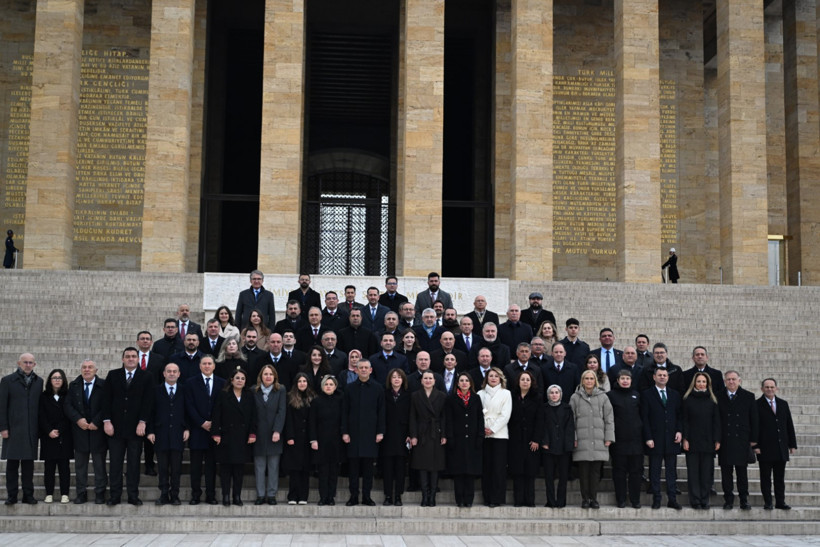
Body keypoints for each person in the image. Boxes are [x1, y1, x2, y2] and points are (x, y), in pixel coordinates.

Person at [102, 347, 154, 506]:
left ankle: (133, 495)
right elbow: (106, 399)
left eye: (133, 356)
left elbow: (148, 401)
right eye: (128, 356)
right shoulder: (113, 375)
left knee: (133, 464)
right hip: (115, 428)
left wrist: (143, 422)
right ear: (123, 359)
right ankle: (114, 496)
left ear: (138, 359)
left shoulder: (146, 376)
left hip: (136, 429)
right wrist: (107, 421)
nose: (131, 359)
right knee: (115, 464)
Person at [341, 359, 386, 506]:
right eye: (361, 368)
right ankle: (353, 496)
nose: (364, 370)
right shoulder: (349, 388)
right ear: (356, 370)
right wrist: (345, 432)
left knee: (368, 469)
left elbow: (381, 412)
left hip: (371, 434)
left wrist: (380, 432)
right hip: (353, 434)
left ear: (371, 370)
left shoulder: (378, 388)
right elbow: (344, 412)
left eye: (366, 367)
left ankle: (367, 496)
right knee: (353, 469)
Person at [64, 359, 107, 505]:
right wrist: (78, 419)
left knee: (99, 465)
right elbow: (68, 405)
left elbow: (107, 405)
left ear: (96, 370)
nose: (87, 370)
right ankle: (81, 493)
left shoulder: (104, 385)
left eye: (90, 367)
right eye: (84, 367)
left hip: (98, 431)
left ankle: (100, 493)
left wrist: (97, 421)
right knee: (80, 466)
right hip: (80, 431)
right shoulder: (74, 385)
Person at [212, 368, 256, 506]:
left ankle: (237, 495)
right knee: (225, 469)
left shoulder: (249, 395)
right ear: (231, 380)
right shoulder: (224, 394)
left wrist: (252, 433)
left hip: (242, 438)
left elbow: (254, 417)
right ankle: (226, 495)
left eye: (242, 379)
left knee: (238, 469)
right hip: (226, 437)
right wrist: (216, 433)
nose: (240, 381)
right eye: (237, 378)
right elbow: (216, 415)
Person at [570, 370, 614, 509]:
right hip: (582, 441)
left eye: (591, 378)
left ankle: (593, 498)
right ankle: (585, 499)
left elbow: (609, 419)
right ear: (582, 381)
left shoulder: (603, 397)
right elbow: (571, 421)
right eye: (586, 378)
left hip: (598, 440)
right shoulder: (575, 397)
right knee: (583, 473)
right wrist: (574, 438)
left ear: (595, 380)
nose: (589, 381)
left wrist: (609, 438)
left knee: (595, 472)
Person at [147, 362, 189, 506]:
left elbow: (187, 411)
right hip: (160, 434)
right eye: (169, 371)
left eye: (174, 371)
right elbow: (150, 413)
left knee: (176, 468)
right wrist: (150, 431)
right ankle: (164, 494)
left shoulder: (184, 390)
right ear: (164, 374)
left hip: (178, 433)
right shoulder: (155, 390)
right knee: (163, 467)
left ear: (179, 374)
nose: (171, 373)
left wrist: (187, 428)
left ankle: (175, 495)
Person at [185, 355, 225, 505]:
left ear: (214, 366)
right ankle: (195, 494)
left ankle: (211, 495)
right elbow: (189, 405)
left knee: (211, 466)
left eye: (210, 363)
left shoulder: (222, 383)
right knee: (195, 466)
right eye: (204, 364)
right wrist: (201, 422)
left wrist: (214, 424)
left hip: (214, 432)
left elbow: (222, 406)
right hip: (197, 430)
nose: (207, 366)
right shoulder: (190, 383)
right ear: (199, 366)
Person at [641, 367, 683, 510]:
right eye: (659, 375)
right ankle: (657, 499)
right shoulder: (646, 394)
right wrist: (648, 437)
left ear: (668, 377)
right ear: (654, 377)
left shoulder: (675, 394)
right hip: (655, 439)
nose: (662, 377)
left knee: (671, 471)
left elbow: (679, 416)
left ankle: (672, 499)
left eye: (665, 375)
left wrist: (679, 431)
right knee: (655, 471)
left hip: (672, 439)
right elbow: (644, 418)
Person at [717, 370, 758, 510]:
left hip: (742, 440)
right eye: (728, 379)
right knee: (726, 473)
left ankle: (743, 499)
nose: (731, 382)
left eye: (734, 379)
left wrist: (753, 439)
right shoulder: (718, 396)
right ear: (724, 381)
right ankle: (728, 499)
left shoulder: (748, 396)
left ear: (739, 380)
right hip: (725, 441)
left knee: (742, 473)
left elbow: (754, 420)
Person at [754, 378, 797, 510]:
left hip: (780, 447)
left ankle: (780, 502)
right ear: (762, 389)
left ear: (776, 388)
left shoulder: (783, 404)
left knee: (780, 478)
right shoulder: (756, 404)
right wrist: (755, 446)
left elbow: (789, 424)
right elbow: (755, 426)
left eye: (772, 387)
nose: (769, 389)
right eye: (767, 387)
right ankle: (768, 502)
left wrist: (792, 444)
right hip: (765, 448)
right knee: (765, 477)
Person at [681, 371, 721, 509]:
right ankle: (695, 500)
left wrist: (717, 439)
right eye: (699, 381)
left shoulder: (713, 399)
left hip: (708, 441)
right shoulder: (687, 399)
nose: (701, 384)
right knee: (693, 473)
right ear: (694, 383)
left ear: (708, 384)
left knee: (705, 473)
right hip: (691, 441)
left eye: (704, 382)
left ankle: (705, 499)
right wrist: (685, 439)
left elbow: (716, 421)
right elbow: (684, 420)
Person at [409, 370, 447, 507]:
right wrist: (413, 435)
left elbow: (444, 417)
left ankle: (432, 496)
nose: (428, 380)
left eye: (430, 378)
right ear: (421, 380)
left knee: (435, 465)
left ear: (435, 381)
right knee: (422, 465)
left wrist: (443, 435)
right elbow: (412, 417)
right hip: (422, 433)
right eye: (425, 378)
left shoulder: (442, 396)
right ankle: (424, 496)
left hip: (436, 433)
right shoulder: (415, 395)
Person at [445, 372, 484, 507]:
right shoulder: (451, 399)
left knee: (470, 473)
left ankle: (469, 500)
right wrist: (450, 437)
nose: (464, 383)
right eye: (461, 380)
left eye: (467, 380)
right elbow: (448, 420)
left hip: (473, 440)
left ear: (470, 383)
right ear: (458, 383)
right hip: (457, 440)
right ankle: (459, 500)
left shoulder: (476, 398)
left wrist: (480, 436)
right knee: (459, 472)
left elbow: (480, 419)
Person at [606, 370, 643, 508]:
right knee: (619, 472)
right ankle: (620, 499)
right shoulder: (610, 396)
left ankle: (635, 500)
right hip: (618, 441)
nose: (625, 381)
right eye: (623, 378)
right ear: (618, 380)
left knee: (636, 472)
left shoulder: (637, 395)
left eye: (628, 378)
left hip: (636, 441)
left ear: (631, 380)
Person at [508, 370, 543, 507]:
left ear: (531, 382)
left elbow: (540, 420)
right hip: (515, 439)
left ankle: (529, 500)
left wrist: (536, 439)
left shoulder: (537, 397)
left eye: (528, 380)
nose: (525, 382)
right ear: (518, 381)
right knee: (517, 471)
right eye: (522, 379)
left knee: (530, 471)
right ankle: (518, 500)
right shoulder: (511, 396)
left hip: (531, 440)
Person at [252, 364, 286, 505]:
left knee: (273, 466)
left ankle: (271, 494)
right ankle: (260, 495)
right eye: (265, 374)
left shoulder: (280, 390)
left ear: (275, 377)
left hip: (274, 433)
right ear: (261, 376)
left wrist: (277, 430)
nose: (268, 377)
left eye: (271, 374)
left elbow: (281, 411)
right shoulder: (254, 390)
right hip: (258, 433)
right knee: (259, 466)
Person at [479, 367, 512, 508]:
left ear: (500, 379)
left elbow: (505, 415)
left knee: (498, 468)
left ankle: (497, 498)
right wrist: (484, 429)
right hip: (484, 434)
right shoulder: (480, 393)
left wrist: (492, 429)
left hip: (499, 434)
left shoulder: (506, 393)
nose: (493, 378)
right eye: (490, 376)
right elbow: (478, 413)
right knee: (486, 467)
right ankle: (487, 497)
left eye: (496, 376)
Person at [39, 369, 72, 504]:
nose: (57, 380)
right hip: (48, 436)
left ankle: (65, 494)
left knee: (65, 467)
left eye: (59, 377)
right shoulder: (43, 396)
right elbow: (41, 416)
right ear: (50, 380)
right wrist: (49, 431)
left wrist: (59, 429)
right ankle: (49, 494)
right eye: (54, 377)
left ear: (63, 380)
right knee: (49, 467)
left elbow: (69, 415)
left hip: (64, 436)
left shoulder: (69, 395)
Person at [310, 374, 344, 505]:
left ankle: (331, 497)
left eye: (331, 384)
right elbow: (312, 422)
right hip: (321, 441)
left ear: (335, 386)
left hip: (336, 441)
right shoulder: (316, 401)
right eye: (326, 384)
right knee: (323, 471)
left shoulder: (340, 400)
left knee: (334, 472)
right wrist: (313, 440)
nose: (328, 386)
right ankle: (323, 497)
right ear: (322, 386)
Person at [283, 372, 315, 504]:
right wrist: (289, 436)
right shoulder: (290, 398)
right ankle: (293, 496)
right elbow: (288, 419)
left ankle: (303, 496)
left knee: (305, 469)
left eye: (304, 381)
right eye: (300, 381)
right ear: (296, 383)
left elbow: (314, 420)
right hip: (294, 438)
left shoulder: (312, 398)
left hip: (307, 438)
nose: (302, 383)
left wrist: (313, 438)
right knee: (294, 469)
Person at [541, 384, 574, 508]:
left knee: (563, 477)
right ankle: (550, 501)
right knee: (549, 477)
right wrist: (544, 442)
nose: (554, 395)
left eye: (556, 392)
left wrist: (568, 446)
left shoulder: (567, 408)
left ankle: (561, 501)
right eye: (551, 392)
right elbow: (542, 426)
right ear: (548, 395)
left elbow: (570, 428)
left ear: (560, 394)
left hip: (563, 447)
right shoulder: (544, 408)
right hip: (548, 447)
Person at [382, 368, 411, 506]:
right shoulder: (384, 394)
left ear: (403, 379)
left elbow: (411, 416)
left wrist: (410, 434)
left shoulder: (408, 395)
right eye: (394, 377)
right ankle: (388, 495)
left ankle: (398, 495)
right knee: (387, 468)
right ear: (390, 379)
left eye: (399, 377)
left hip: (402, 435)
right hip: (387, 435)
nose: (396, 379)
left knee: (400, 468)